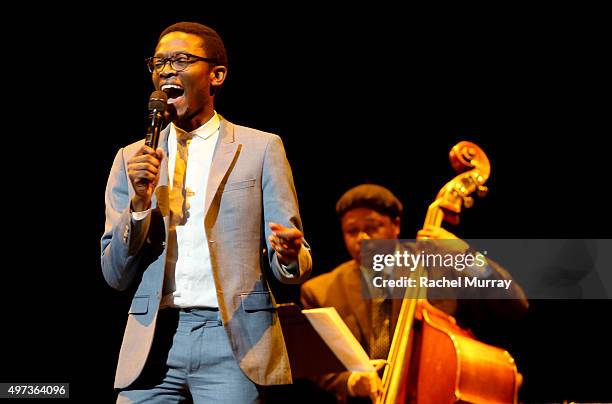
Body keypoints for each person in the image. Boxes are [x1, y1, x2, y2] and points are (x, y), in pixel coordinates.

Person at [101, 22, 312, 403]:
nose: (167, 70)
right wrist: (138, 206)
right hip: (154, 340)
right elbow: (115, 274)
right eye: (159, 61)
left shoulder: (261, 148)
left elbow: (294, 265)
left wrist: (290, 253)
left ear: (216, 75)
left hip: (233, 340)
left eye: (181, 60)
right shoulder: (131, 160)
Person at [300, 184, 528, 403]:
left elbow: (514, 303)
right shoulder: (321, 291)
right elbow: (313, 360)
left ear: (396, 225)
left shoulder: (439, 265)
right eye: (352, 231)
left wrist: (465, 254)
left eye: (372, 227)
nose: (362, 238)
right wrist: (350, 381)